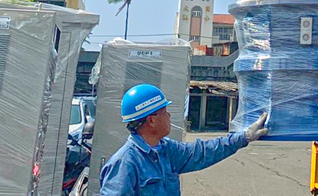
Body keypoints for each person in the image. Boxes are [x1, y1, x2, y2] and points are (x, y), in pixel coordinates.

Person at [99, 83, 269, 195]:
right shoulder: (125, 163)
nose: (169, 115)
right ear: (151, 120)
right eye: (164, 112)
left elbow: (203, 151)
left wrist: (244, 137)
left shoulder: (167, 150)